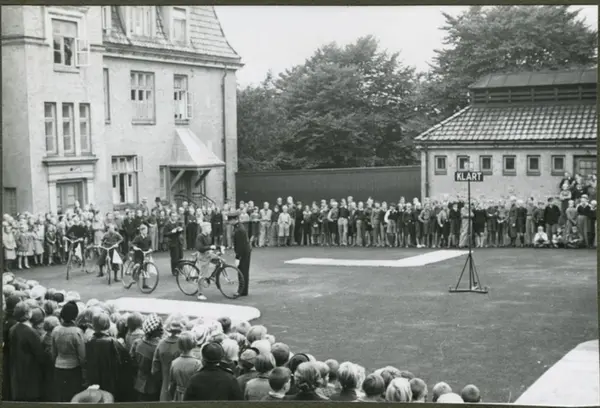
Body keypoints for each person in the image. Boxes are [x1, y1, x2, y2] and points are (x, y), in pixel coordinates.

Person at [8, 301, 47, 402]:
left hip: (17, 370)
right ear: (27, 314)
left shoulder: (13, 329)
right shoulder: (31, 332)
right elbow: (40, 355)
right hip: (30, 371)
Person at [195, 222, 218, 301]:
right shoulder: (200, 237)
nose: (211, 229)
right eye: (209, 228)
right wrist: (210, 247)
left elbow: (210, 246)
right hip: (203, 256)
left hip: (208, 254)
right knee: (202, 275)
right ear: (204, 228)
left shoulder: (208, 236)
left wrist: (218, 247)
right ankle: (200, 294)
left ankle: (212, 276)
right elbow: (200, 248)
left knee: (220, 261)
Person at [232, 212, 251, 297]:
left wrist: (237, 257)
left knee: (242, 271)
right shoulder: (238, 227)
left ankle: (241, 290)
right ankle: (244, 290)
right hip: (245, 251)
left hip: (243, 252)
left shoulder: (239, 229)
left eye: (230, 220)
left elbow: (240, 246)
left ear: (235, 219)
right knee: (244, 271)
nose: (229, 221)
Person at [130, 224, 152, 290]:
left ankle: (144, 284)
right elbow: (132, 243)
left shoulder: (148, 237)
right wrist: (135, 247)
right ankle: (133, 275)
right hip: (138, 254)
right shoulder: (138, 237)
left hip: (145, 254)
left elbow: (150, 244)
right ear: (141, 231)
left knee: (145, 268)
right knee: (138, 265)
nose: (146, 231)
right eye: (144, 230)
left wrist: (150, 249)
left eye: (146, 230)